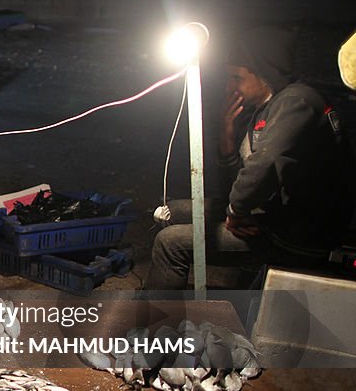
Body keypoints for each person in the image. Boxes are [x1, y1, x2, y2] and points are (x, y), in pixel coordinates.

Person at [147, 27, 352, 289]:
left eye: (236, 77)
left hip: (297, 235)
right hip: (271, 214)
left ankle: (158, 326)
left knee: (170, 242)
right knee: (173, 211)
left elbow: (264, 164)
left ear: (264, 74)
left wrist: (236, 211)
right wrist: (227, 136)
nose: (229, 86)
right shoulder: (267, 109)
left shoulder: (296, 102)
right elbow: (239, 183)